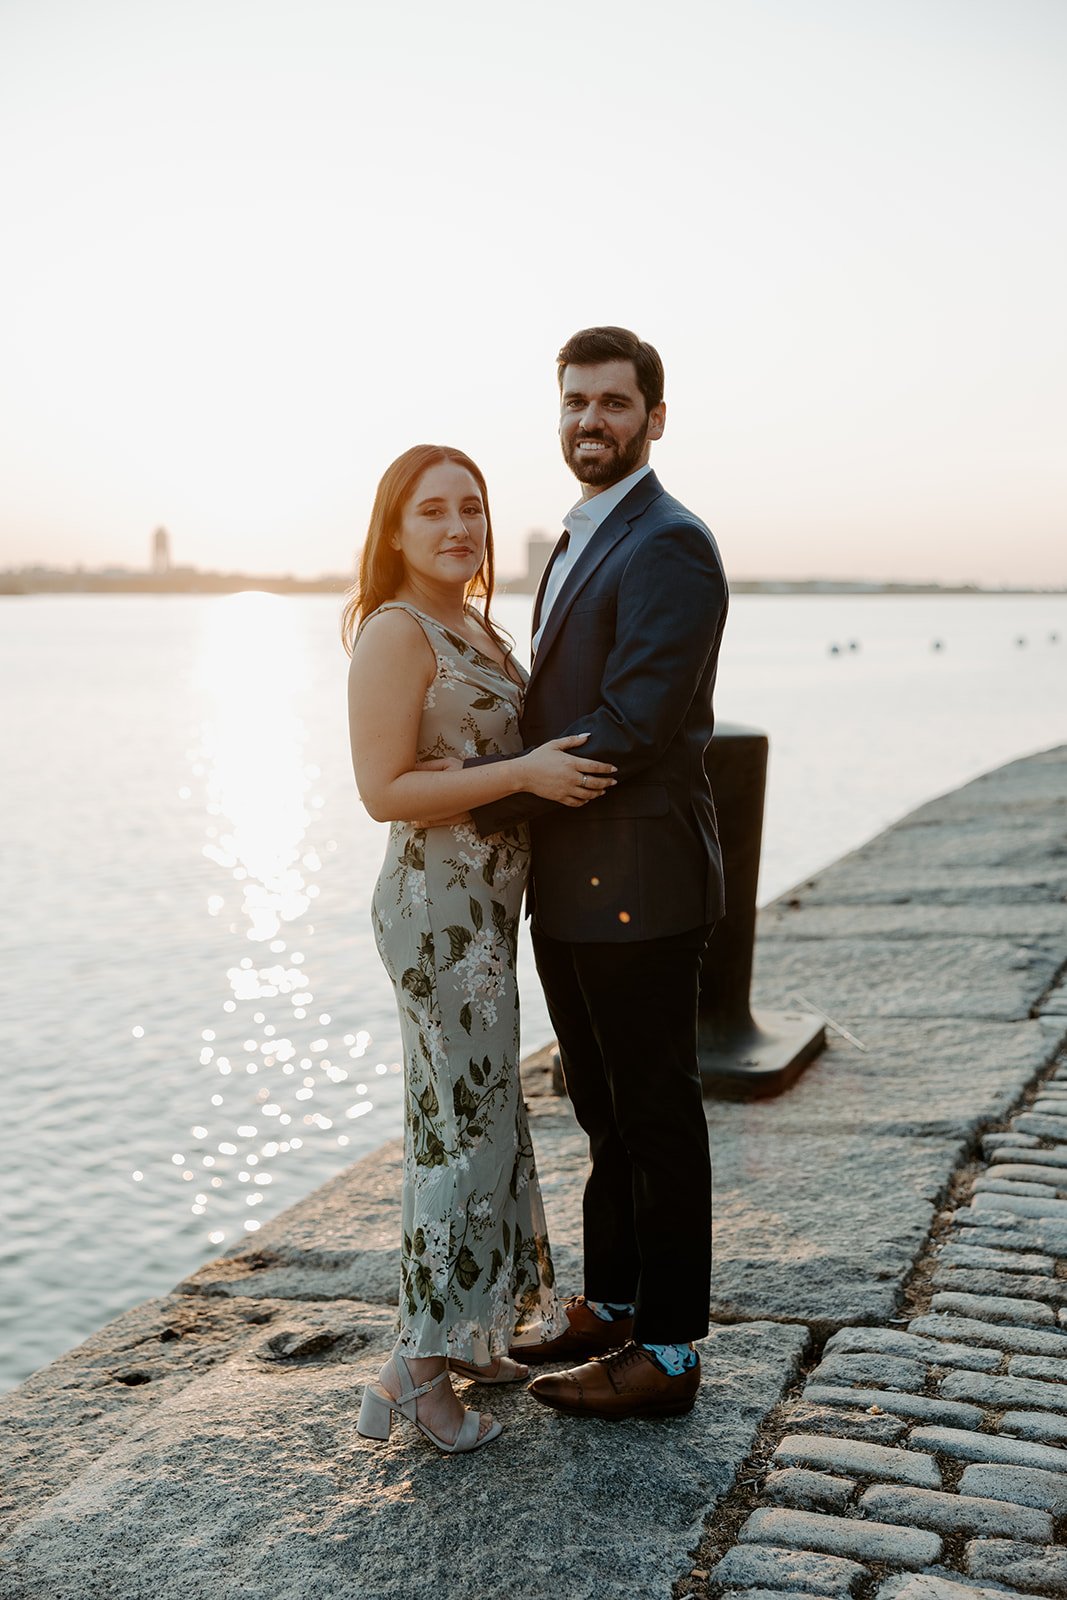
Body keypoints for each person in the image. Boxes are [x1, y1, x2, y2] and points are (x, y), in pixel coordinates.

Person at [467, 327, 729, 1420]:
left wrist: (482, 794)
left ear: (653, 419)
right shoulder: (583, 535)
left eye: (613, 403)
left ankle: (665, 1353)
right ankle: (611, 1304)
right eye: (575, 402)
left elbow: (632, 723)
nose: (591, 421)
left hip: (641, 882)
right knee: (601, 1110)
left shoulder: (669, 542)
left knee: (655, 1114)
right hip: (575, 883)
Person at [344, 444, 617, 1454]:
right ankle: (416, 1375)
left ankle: (470, 1334)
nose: (458, 526)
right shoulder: (395, 631)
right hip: (436, 912)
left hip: (486, 915)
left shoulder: (477, 626)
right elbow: (382, 790)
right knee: (458, 1134)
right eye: (432, 511)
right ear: (394, 529)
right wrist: (525, 775)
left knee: (487, 1118)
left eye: (471, 507)